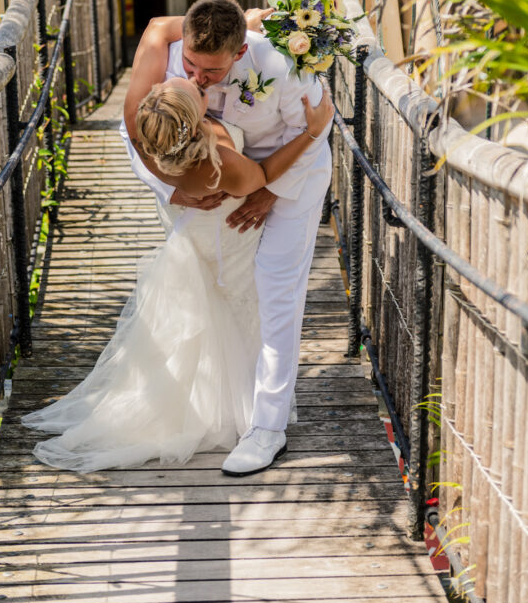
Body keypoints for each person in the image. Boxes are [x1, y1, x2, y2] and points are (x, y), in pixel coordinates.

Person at [21, 72, 332, 473]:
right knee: (240, 307)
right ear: (197, 113)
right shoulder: (221, 167)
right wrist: (311, 134)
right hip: (227, 235)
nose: (189, 80)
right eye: (198, 92)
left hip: (194, 234)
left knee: (216, 315)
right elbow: (265, 178)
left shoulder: (158, 139)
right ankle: (235, 411)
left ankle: (220, 400)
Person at [121, 0, 333, 476]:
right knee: (226, 290)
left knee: (276, 290)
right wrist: (169, 191)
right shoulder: (174, 56)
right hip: (229, 176)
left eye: (210, 71)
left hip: (291, 177)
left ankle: (267, 429)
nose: (196, 77)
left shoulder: (282, 66)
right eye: (191, 64)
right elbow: (134, 130)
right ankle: (222, 398)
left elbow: (318, 127)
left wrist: (272, 192)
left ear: (239, 54)